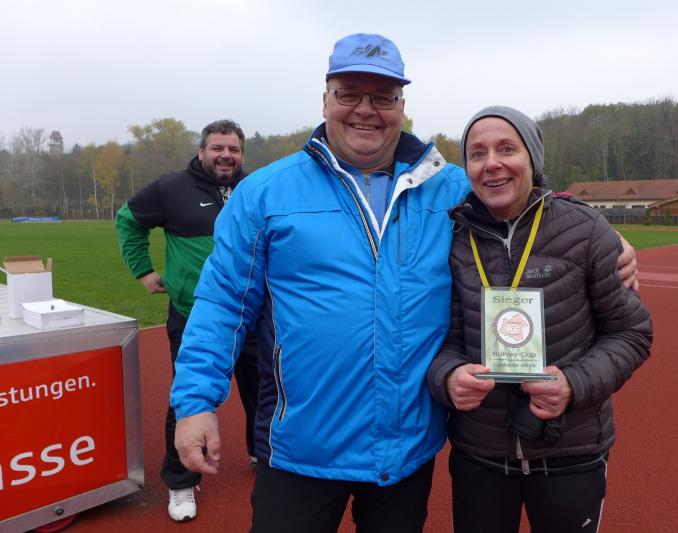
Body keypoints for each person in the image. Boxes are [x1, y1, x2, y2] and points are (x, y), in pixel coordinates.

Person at [170, 35, 640, 533]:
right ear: (326, 100)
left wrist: (600, 229)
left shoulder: (451, 187)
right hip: (301, 446)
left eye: (383, 97)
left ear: (401, 106)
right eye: (350, 93)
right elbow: (222, 302)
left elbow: (527, 203)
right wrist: (196, 402)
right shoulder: (265, 193)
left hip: (403, 450)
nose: (365, 110)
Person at [426, 106, 653, 533]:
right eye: (477, 153)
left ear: (533, 159)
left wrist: (573, 384)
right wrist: (449, 376)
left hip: (570, 452)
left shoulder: (586, 231)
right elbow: (443, 339)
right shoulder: (452, 240)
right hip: (480, 454)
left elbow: (631, 332)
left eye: (506, 149)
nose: (492, 163)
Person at [115, 119, 259, 522]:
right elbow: (127, 220)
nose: (226, 155)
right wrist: (143, 271)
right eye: (218, 148)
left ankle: (262, 453)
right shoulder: (170, 188)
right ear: (201, 151)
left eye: (233, 149)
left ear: (241, 154)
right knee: (190, 397)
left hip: (253, 314)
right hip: (196, 316)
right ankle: (180, 481)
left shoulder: (254, 189)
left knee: (264, 390)